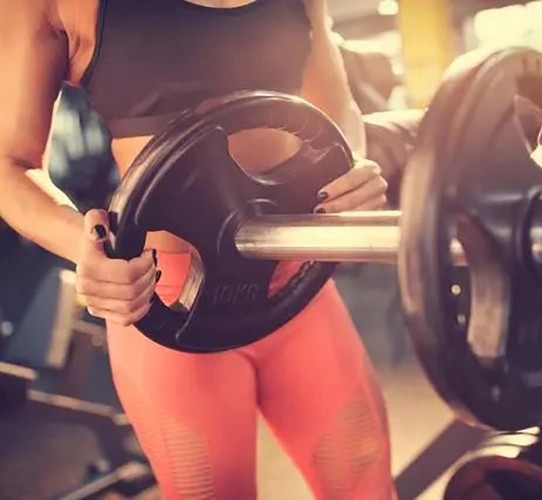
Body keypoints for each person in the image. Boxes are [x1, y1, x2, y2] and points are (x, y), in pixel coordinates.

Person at [0, 1, 395, 498]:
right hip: (167, 302)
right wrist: (84, 245)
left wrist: (352, 168)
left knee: (366, 483)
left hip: (295, 280)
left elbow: (337, 110)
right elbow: (10, 166)